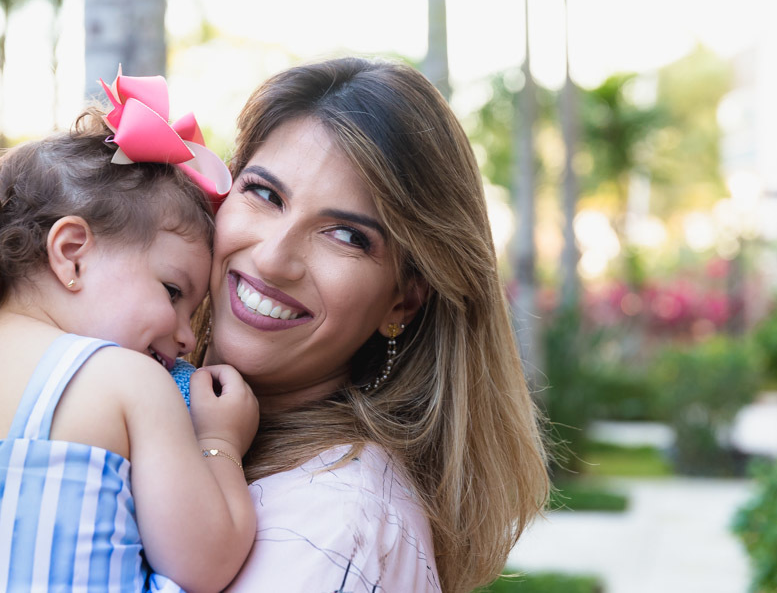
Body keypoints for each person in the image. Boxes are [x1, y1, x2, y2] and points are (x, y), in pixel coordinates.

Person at [0, 73, 257, 592]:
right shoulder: (129, 383)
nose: (187, 337)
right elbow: (205, 564)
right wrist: (219, 440)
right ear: (71, 253)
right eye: (171, 291)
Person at [194, 57, 550, 593]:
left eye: (345, 235)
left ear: (402, 302)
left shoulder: (334, 523)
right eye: (266, 194)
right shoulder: (149, 402)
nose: (272, 260)